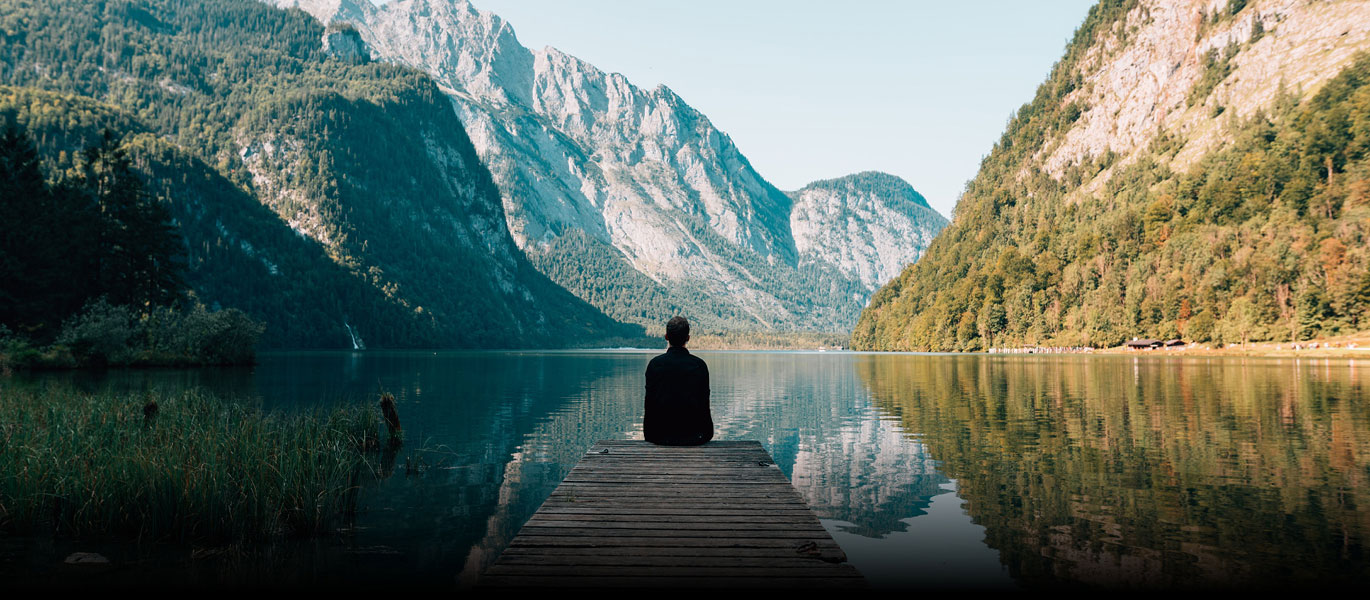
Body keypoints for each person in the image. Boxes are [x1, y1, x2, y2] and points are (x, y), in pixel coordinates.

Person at [643, 316, 713, 445]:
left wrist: (649, 434)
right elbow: (704, 404)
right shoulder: (699, 365)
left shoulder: (655, 364)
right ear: (687, 338)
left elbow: (649, 404)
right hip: (694, 436)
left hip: (659, 436)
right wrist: (706, 433)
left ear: (666, 337)